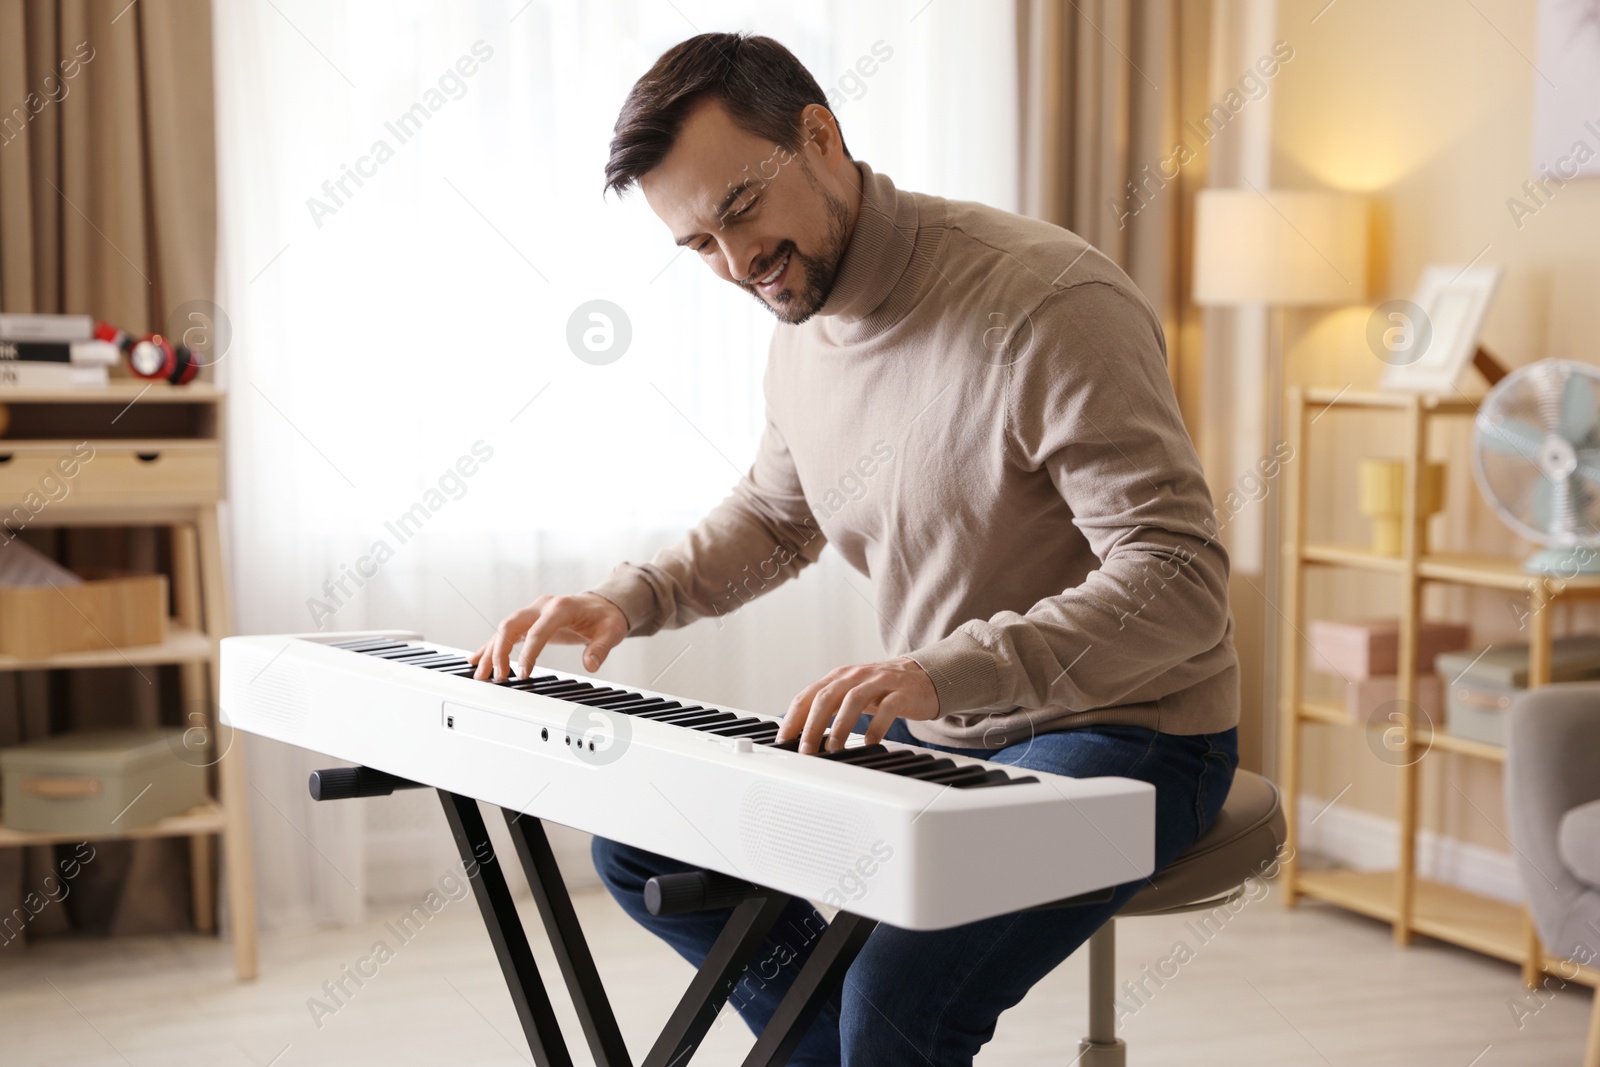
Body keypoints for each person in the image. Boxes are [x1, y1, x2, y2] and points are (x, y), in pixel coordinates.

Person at [469, 32, 1240, 1067]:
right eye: (698, 244)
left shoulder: (1047, 300)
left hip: (1129, 733)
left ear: (820, 137)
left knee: (893, 997)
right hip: (951, 733)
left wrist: (938, 672)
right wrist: (629, 599)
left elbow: (1179, 579)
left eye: (740, 211)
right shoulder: (803, 323)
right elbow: (782, 517)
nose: (738, 266)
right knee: (641, 841)